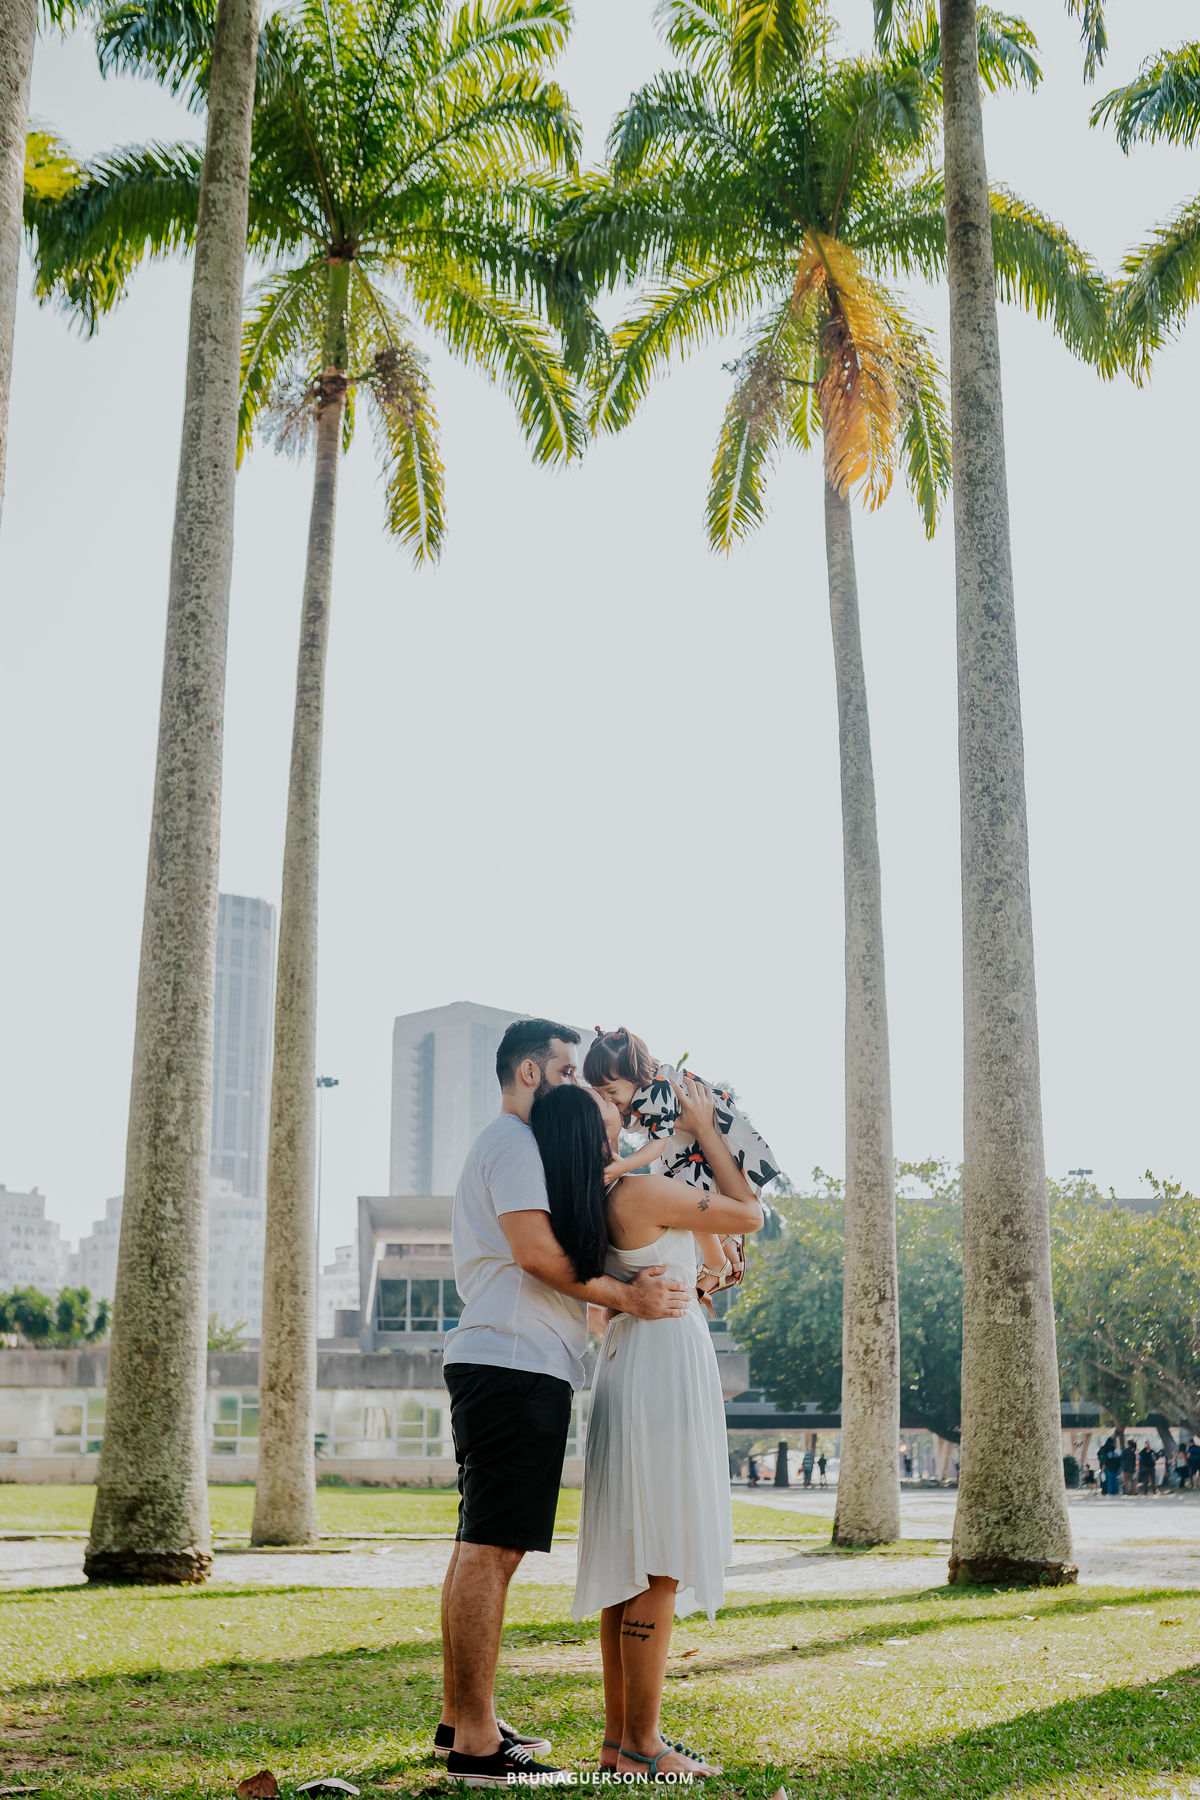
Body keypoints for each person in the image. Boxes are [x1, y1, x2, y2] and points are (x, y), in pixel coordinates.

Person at [437, 1019, 693, 1788]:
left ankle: (462, 1717)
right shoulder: (513, 1145)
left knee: (477, 1545)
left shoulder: (509, 1144)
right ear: (526, 1073)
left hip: (504, 1359)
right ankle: (478, 1744)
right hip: (515, 1364)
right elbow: (537, 1254)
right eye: (564, 1068)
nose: (577, 1081)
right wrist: (627, 1297)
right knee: (494, 1549)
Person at [530, 1077, 763, 1781]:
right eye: (616, 1113)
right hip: (662, 1368)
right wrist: (708, 1132)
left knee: (629, 1565)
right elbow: (749, 1214)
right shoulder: (637, 1193)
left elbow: (709, 1256)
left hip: (635, 1362)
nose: (630, 1116)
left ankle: (620, 1741)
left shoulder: (598, 1199)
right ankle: (643, 1742)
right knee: (658, 1561)